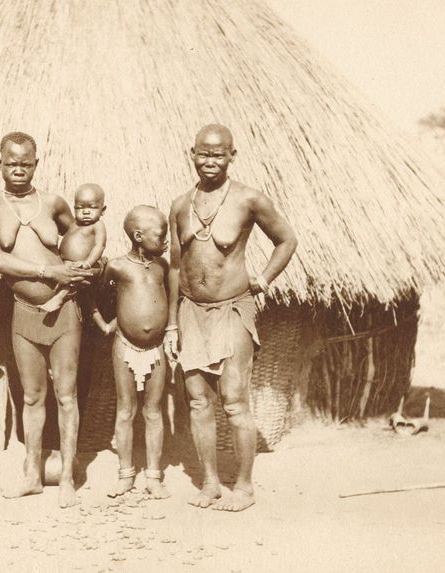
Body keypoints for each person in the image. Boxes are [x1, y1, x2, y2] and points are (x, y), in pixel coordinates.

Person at [166, 124, 298, 512]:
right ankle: (209, 482)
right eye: (203, 154)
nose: (210, 161)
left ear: (232, 156)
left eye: (219, 154)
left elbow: (287, 239)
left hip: (232, 308)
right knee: (197, 403)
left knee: (235, 401)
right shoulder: (179, 205)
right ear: (192, 154)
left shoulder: (249, 199)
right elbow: (175, 266)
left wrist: (264, 278)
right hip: (191, 311)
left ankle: (243, 486)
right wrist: (173, 323)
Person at [0, 131, 95, 508]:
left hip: (64, 313)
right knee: (31, 396)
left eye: (25, 164)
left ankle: (67, 483)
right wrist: (48, 274)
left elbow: (83, 234)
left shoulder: (54, 203)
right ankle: (31, 474)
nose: (18, 170)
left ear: (36, 164)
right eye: (11, 164)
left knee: (66, 394)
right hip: (24, 313)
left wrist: (84, 264)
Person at [100, 206, 171, 500]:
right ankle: (125, 474)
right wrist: (108, 322)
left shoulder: (162, 267)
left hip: (156, 349)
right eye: (160, 235)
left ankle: (153, 475)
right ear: (139, 236)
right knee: (126, 410)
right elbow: (100, 296)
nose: (166, 240)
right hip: (124, 346)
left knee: (154, 411)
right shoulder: (117, 267)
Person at [38, 184, 107, 323]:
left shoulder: (98, 225)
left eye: (92, 207)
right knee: (88, 300)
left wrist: (87, 262)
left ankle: (59, 298)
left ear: (103, 210)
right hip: (67, 263)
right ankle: (101, 325)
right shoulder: (74, 223)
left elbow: (100, 246)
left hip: (84, 265)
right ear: (74, 207)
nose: (86, 212)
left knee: (74, 280)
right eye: (80, 208)